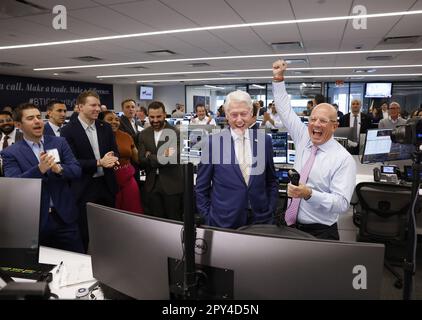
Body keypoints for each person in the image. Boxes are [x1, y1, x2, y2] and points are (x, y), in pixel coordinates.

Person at [272, 59, 356, 240]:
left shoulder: (343, 159)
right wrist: (278, 79)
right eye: (313, 119)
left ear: (335, 126)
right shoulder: (303, 137)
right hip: (291, 226)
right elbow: (285, 110)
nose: (316, 124)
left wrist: (310, 194)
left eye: (323, 121)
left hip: (321, 232)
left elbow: (342, 204)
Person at [1, 103, 84, 253]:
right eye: (31, 118)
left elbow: (76, 170)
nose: (37, 121)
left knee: (77, 262)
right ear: (19, 125)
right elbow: (13, 184)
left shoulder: (59, 142)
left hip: (65, 218)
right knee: (41, 268)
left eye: (39, 117)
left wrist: (60, 169)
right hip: (35, 221)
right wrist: (39, 169)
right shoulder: (11, 153)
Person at [195, 90, 278, 229]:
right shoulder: (213, 143)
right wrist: (208, 218)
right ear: (226, 115)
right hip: (224, 222)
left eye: (243, 114)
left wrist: (270, 209)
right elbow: (201, 188)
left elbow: (271, 181)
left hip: (261, 220)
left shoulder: (265, 141)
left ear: (251, 113)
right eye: (234, 114)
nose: (239, 120)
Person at [60, 90, 119, 250]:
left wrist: (112, 159)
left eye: (98, 105)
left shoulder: (105, 127)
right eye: (93, 105)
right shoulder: (67, 131)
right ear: (80, 107)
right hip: (84, 187)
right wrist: (99, 162)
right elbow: (71, 162)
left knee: (108, 231)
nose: (97, 109)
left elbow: (115, 152)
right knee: (84, 232)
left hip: (106, 186)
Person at [138, 101, 184, 221]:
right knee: (156, 222)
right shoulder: (143, 134)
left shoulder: (175, 133)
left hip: (171, 185)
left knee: (174, 220)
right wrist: (159, 156)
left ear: (164, 115)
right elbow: (141, 159)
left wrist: (150, 156)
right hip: (152, 185)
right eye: (152, 117)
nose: (155, 120)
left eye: (158, 116)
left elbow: (172, 159)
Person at [103, 111, 144, 214]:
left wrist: (149, 155)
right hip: (109, 180)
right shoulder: (99, 138)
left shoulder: (126, 136)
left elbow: (137, 158)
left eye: (116, 119)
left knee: (133, 210)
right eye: (110, 119)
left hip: (128, 178)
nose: (114, 122)